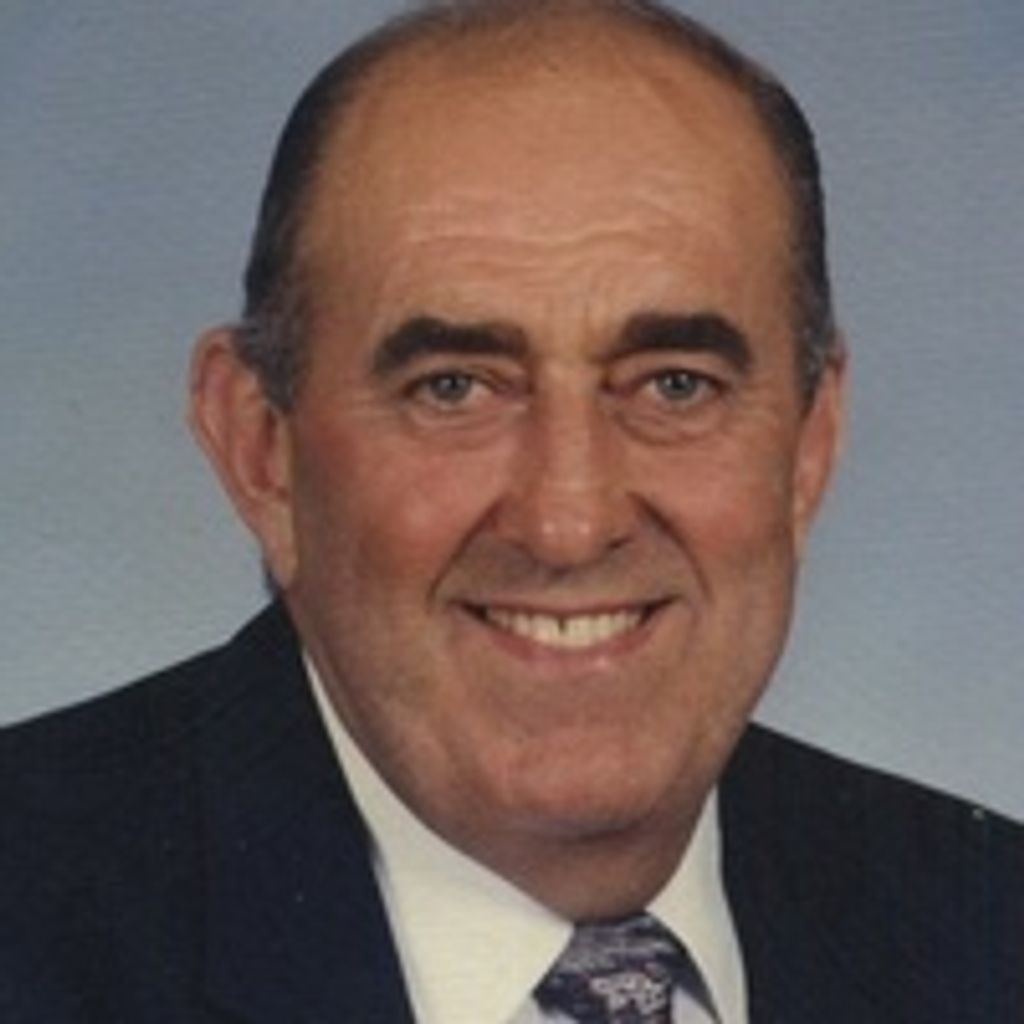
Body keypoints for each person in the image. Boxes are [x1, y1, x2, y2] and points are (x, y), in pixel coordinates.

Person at [1, 1, 1021, 1021]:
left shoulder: (987, 921)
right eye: (454, 388)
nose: (568, 523)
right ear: (262, 448)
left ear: (808, 445)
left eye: (674, 385)